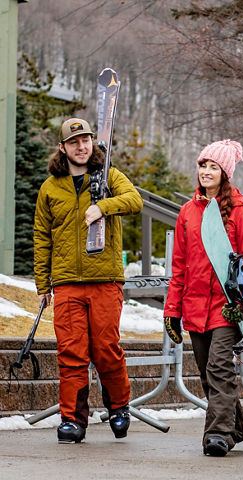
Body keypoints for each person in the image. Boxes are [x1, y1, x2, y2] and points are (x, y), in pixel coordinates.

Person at [33, 118, 143, 444]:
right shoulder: (50, 187)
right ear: (62, 147)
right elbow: (41, 238)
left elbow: (134, 200)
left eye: (86, 140)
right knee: (71, 353)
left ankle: (119, 407)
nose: (82, 147)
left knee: (106, 349)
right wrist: (43, 286)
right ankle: (72, 419)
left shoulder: (108, 175)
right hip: (66, 283)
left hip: (105, 279)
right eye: (74, 142)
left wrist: (103, 207)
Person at [163, 139, 243, 457]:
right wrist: (171, 310)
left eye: (213, 166)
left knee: (220, 367)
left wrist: (242, 305)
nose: (205, 171)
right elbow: (179, 266)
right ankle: (235, 426)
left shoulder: (241, 209)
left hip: (226, 306)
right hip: (193, 305)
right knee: (207, 371)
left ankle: (217, 433)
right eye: (202, 165)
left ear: (225, 173)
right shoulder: (188, 213)